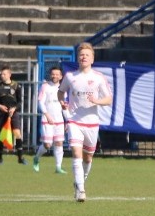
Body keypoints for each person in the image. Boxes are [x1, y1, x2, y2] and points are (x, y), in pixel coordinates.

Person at [57, 43, 113, 202]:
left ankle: (80, 181)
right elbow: (60, 92)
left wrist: (97, 100)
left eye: (87, 55)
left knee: (88, 158)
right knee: (76, 153)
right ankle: (81, 189)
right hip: (74, 121)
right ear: (78, 58)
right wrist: (62, 102)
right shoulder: (70, 76)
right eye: (81, 55)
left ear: (92, 59)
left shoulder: (98, 78)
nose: (83, 57)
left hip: (92, 123)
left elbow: (109, 99)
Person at [0, 65, 28, 165]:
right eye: (1, 74)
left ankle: (20, 158)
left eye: (4, 74)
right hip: (1, 114)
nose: (2, 76)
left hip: (13, 113)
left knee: (17, 134)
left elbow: (20, 102)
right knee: (1, 136)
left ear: (9, 75)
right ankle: (0, 158)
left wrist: (14, 108)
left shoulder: (16, 86)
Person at [33, 66, 67, 174]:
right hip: (47, 119)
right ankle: (37, 158)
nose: (55, 76)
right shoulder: (45, 86)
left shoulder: (63, 89)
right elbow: (41, 102)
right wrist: (47, 115)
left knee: (59, 143)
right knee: (47, 144)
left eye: (57, 74)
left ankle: (58, 167)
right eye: (53, 74)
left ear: (61, 76)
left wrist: (68, 121)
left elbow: (64, 106)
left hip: (59, 120)